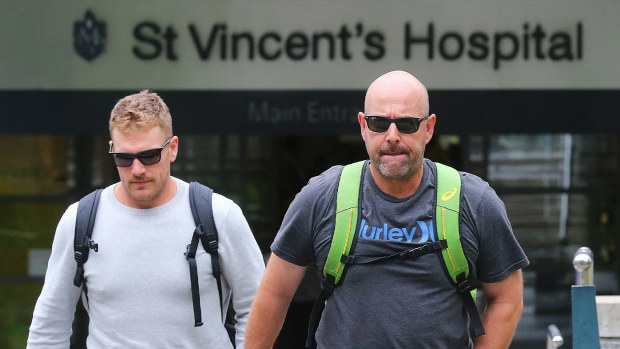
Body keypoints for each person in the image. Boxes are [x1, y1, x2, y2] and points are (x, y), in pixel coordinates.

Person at [245, 71, 529, 349]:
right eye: (379, 123)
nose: (392, 136)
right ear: (363, 127)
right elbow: (275, 292)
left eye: (406, 124)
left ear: (428, 128)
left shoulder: (473, 201)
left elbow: (507, 298)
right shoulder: (321, 197)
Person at [27, 90, 265, 348]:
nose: (137, 169)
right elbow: (50, 323)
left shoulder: (219, 215)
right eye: (124, 158)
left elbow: (258, 310)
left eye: (149, 156)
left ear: (172, 148)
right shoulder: (80, 220)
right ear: (112, 150)